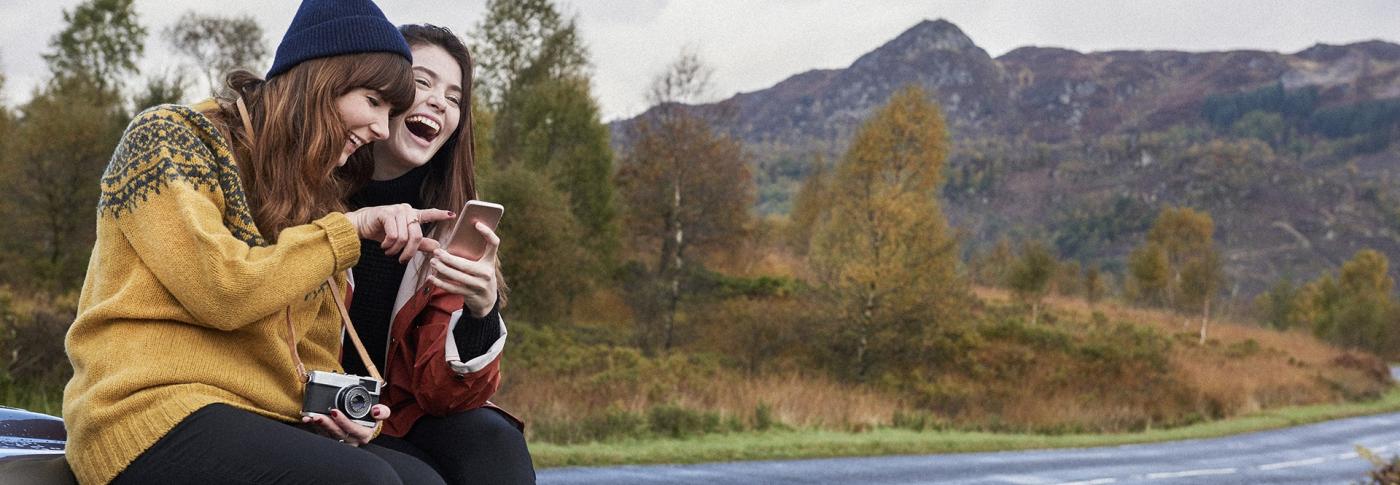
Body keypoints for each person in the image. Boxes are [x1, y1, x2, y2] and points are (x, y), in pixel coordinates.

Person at [62, 1, 451, 483]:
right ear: (320, 82)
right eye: (374, 102)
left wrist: (340, 418)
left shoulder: (316, 198)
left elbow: (310, 353)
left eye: (391, 112)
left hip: (260, 418)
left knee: (422, 480)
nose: (381, 129)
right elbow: (220, 290)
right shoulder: (172, 137)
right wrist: (345, 232)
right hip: (148, 411)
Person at [340, 24, 535, 484]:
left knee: (495, 441)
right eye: (422, 82)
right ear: (379, 90)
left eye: (454, 97)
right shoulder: (307, 194)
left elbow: (443, 395)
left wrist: (481, 313)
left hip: (393, 415)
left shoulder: (450, 228)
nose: (438, 102)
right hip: (308, 406)